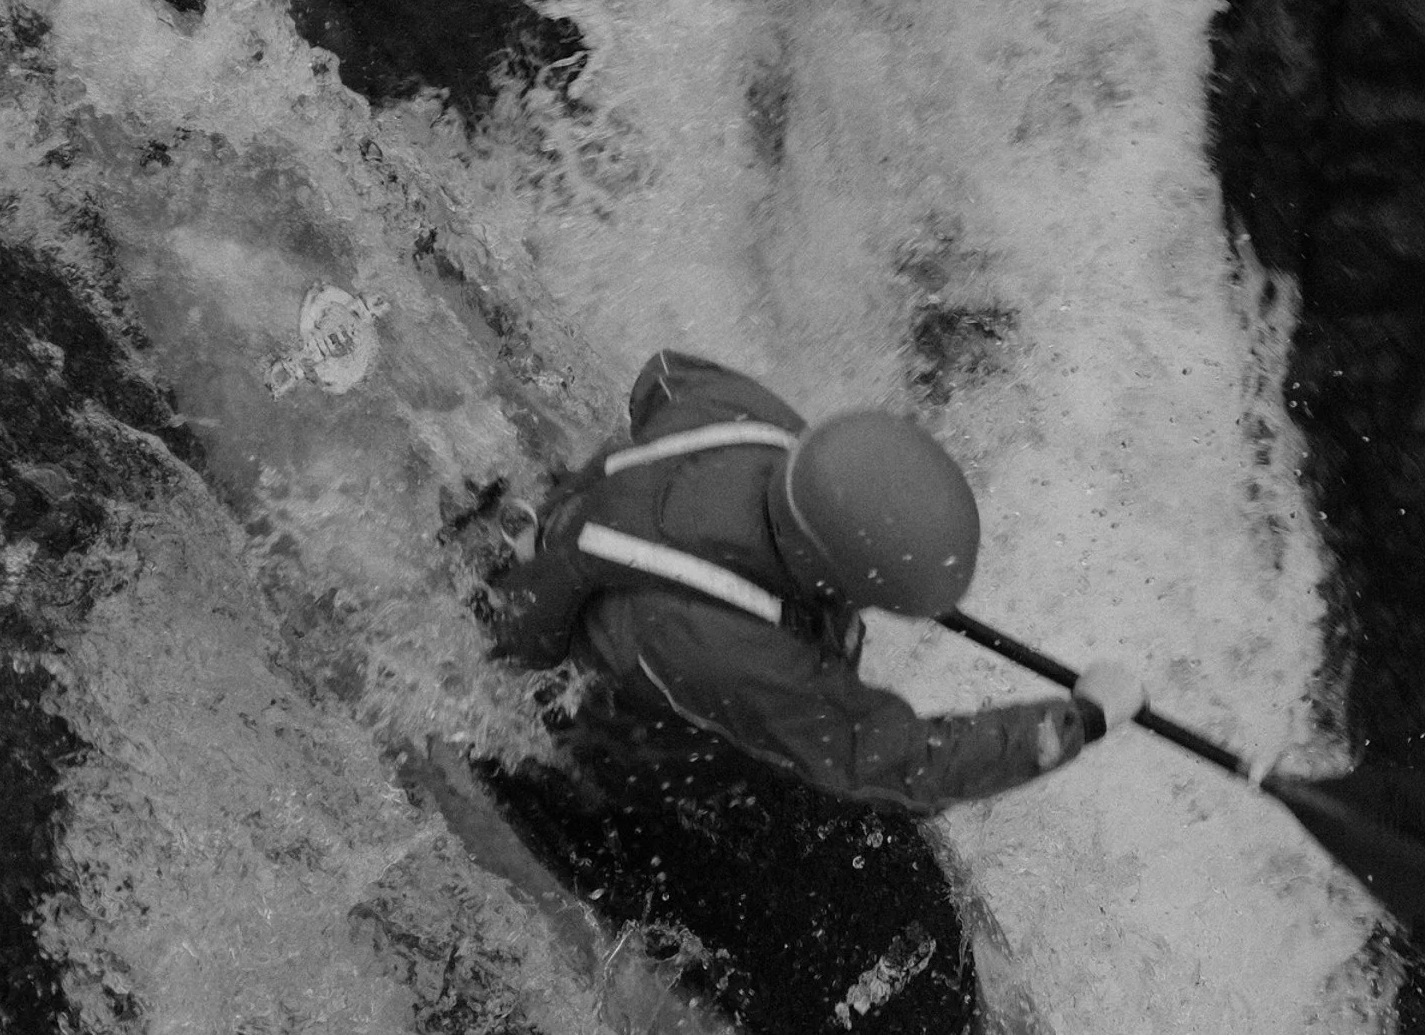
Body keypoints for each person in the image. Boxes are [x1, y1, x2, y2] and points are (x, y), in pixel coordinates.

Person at [483, 348, 1144, 812]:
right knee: (652, 768)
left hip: (595, 542)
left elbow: (662, 376)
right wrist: (1080, 720)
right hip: (605, 705)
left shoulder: (747, 415)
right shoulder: (729, 649)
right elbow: (895, 762)